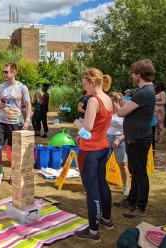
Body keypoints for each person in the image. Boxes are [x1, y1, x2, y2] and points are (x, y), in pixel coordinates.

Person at [73, 68, 113, 242]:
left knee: (92, 190)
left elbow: (87, 130)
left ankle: (93, 232)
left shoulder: (93, 101)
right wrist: (80, 135)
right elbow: (98, 127)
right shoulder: (108, 98)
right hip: (104, 147)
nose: (84, 89)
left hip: (91, 151)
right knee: (102, 184)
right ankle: (107, 220)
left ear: (91, 82)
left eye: (85, 84)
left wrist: (76, 125)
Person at [114, 59, 156, 219]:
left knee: (139, 173)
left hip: (139, 139)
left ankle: (141, 206)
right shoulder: (144, 91)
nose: (131, 75)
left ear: (139, 75)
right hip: (135, 138)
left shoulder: (144, 92)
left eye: (133, 73)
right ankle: (132, 200)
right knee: (134, 171)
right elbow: (128, 107)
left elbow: (121, 112)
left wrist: (117, 104)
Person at [0, 63, 31, 185]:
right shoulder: (0, 87)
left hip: (15, 123)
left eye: (6, 72)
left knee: (14, 152)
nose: (4, 74)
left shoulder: (22, 87)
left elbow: (28, 105)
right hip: (0, 121)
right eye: (3, 72)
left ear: (13, 73)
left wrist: (27, 120)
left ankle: (14, 174)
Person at [107, 92, 129, 196]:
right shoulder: (107, 111)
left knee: (123, 164)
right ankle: (98, 185)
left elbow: (129, 131)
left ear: (117, 101)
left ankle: (125, 187)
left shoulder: (124, 113)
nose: (109, 103)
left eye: (111, 101)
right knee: (102, 163)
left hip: (120, 140)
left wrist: (119, 139)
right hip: (106, 139)